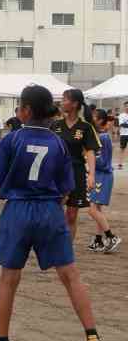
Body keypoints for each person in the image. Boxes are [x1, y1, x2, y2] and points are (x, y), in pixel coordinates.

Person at [0, 85, 105, 341]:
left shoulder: (11, 140)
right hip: (50, 210)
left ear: (25, 110)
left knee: (8, 279)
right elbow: (66, 189)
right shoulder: (59, 142)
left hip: (17, 211)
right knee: (71, 277)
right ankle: (92, 336)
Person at [51, 89, 100, 242]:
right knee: (53, 210)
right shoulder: (55, 125)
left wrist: (91, 175)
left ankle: (67, 248)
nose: (62, 102)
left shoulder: (85, 127)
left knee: (71, 215)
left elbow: (91, 152)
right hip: (56, 173)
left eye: (65, 99)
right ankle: (52, 242)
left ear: (75, 104)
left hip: (77, 173)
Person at [87, 109, 122, 253]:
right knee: (97, 209)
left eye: (95, 117)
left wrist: (86, 158)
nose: (92, 118)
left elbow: (101, 162)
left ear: (100, 120)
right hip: (103, 175)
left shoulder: (102, 137)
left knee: (92, 210)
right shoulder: (101, 136)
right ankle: (98, 239)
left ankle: (111, 236)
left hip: (102, 175)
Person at [118, 101, 128, 170]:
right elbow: (122, 124)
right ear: (124, 107)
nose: (127, 107)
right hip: (124, 134)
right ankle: (120, 163)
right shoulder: (121, 115)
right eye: (126, 106)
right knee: (122, 149)